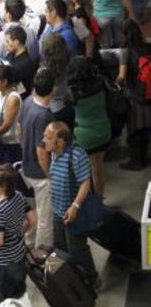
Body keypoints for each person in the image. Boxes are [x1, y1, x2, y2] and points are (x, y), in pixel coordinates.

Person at [43, 121, 98, 288]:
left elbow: (85, 183)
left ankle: (91, 279)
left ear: (60, 141)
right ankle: (70, 278)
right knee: (60, 247)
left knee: (77, 249)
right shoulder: (54, 153)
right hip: (58, 210)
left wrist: (75, 206)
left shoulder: (76, 154)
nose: (43, 139)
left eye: (48, 137)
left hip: (75, 213)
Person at [0, 165, 35, 307]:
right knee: (20, 295)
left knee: (7, 301)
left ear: (3, 185)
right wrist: (19, 232)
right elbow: (33, 219)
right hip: (19, 254)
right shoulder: (18, 196)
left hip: (3, 264)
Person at [21, 68, 55, 248]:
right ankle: (43, 253)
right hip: (39, 174)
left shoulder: (27, 102)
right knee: (45, 217)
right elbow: (42, 151)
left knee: (33, 211)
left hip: (26, 168)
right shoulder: (44, 115)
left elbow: (20, 130)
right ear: (53, 89)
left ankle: (29, 243)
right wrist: (49, 175)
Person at [67, 57, 111, 198]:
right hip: (104, 130)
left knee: (90, 170)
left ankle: (95, 203)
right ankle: (100, 198)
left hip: (84, 137)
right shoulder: (101, 82)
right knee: (99, 167)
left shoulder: (72, 92)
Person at [119, 19, 151, 170]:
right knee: (145, 128)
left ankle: (136, 160)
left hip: (134, 96)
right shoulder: (146, 47)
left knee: (134, 129)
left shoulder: (125, 50)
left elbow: (121, 76)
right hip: (147, 93)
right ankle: (144, 157)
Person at [0, 64, 22, 164]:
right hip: (1, 141)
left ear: (4, 82)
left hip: (10, 145)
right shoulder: (0, 92)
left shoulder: (12, 98)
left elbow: (6, 125)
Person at [4, 25, 36, 98]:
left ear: (16, 42)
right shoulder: (11, 54)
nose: (5, 44)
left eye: (7, 41)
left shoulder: (24, 64)